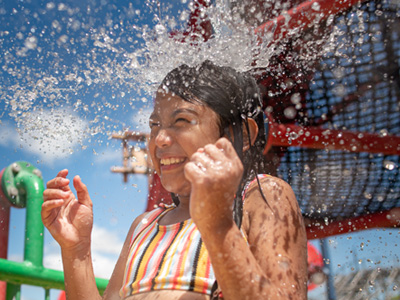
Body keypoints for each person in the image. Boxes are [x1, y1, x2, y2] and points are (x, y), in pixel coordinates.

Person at [42, 60, 307, 300]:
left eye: (181, 120)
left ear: (242, 135)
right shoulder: (143, 225)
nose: (159, 139)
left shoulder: (262, 196)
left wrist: (218, 226)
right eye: (154, 124)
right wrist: (77, 251)